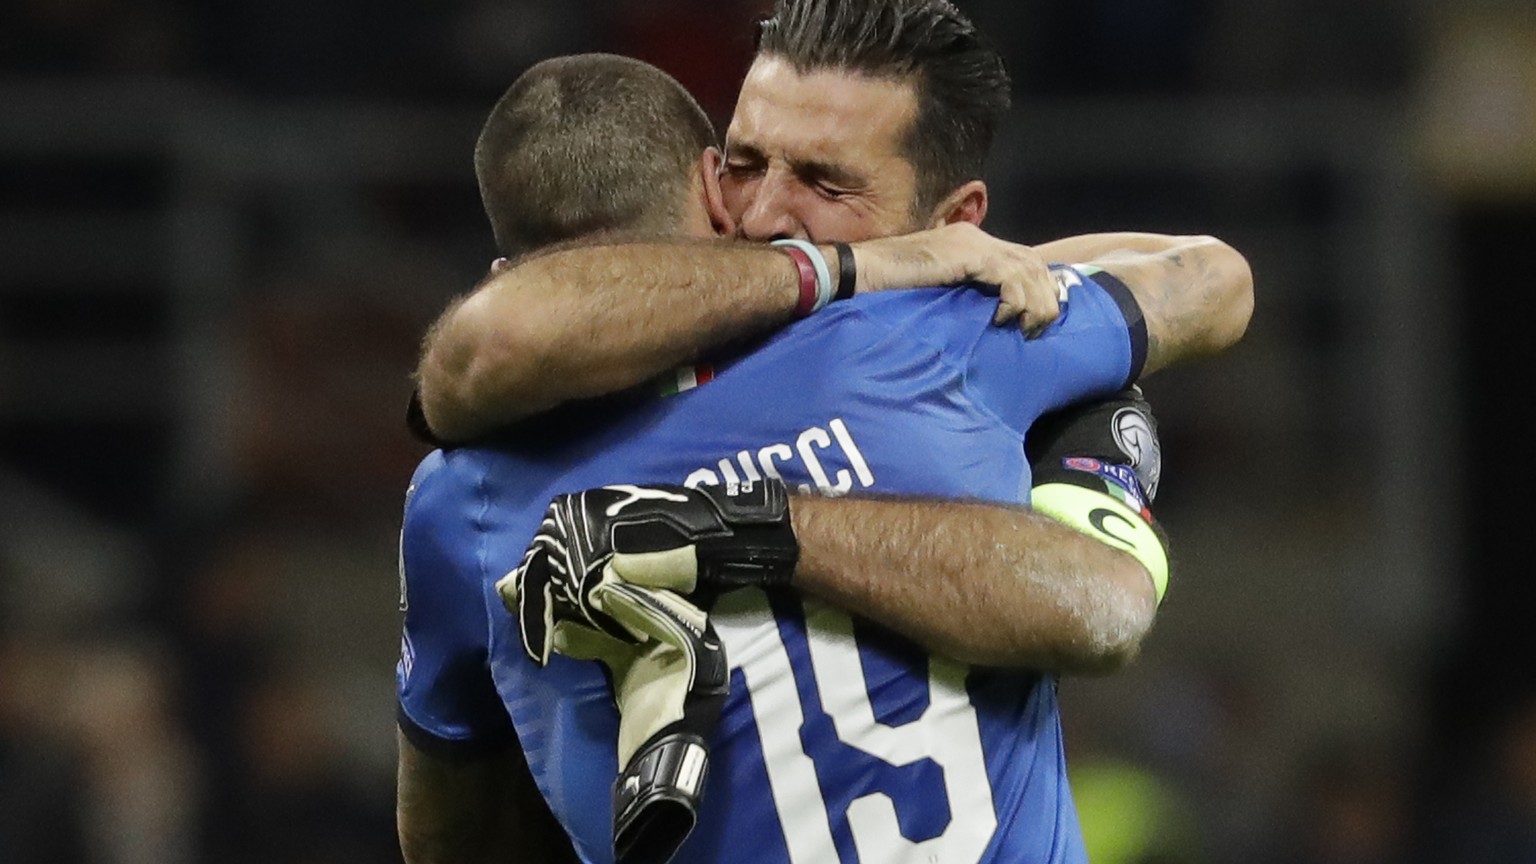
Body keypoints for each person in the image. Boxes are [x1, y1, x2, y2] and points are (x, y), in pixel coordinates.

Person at [396, 52, 1249, 864]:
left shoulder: (458, 506)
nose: (768, 214)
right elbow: (1208, 281)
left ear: (505, 272)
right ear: (710, 190)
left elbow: (451, 842)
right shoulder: (917, 337)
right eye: (745, 169)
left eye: (820, 182)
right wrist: (899, 272)